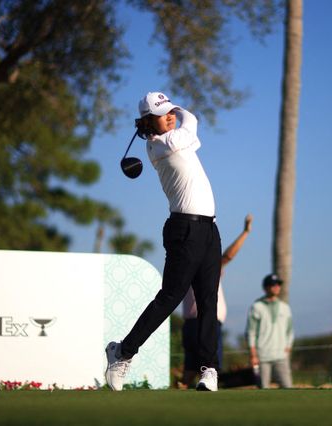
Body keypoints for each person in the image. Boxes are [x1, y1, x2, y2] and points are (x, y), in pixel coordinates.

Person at [105, 92, 222, 392]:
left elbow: (187, 122)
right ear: (148, 122)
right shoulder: (162, 145)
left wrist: (169, 108)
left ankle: (208, 369)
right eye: (163, 113)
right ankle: (122, 352)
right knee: (170, 297)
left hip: (209, 229)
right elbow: (191, 120)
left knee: (208, 300)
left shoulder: (176, 140)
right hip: (184, 229)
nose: (170, 116)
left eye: (171, 111)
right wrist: (179, 109)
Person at [181, 214, 253, 388]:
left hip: (195, 323)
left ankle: (184, 392)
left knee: (191, 369)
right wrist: (245, 232)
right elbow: (228, 256)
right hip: (203, 322)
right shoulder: (199, 263)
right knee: (208, 368)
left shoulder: (189, 261)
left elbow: (226, 257)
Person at [246, 274, 294, 389]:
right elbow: (251, 332)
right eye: (273, 284)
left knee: (288, 388)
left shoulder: (285, 307)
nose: (277, 287)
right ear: (265, 287)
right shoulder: (256, 307)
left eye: (278, 284)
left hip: (281, 356)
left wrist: (288, 347)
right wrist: (253, 354)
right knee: (263, 388)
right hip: (262, 356)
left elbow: (290, 331)